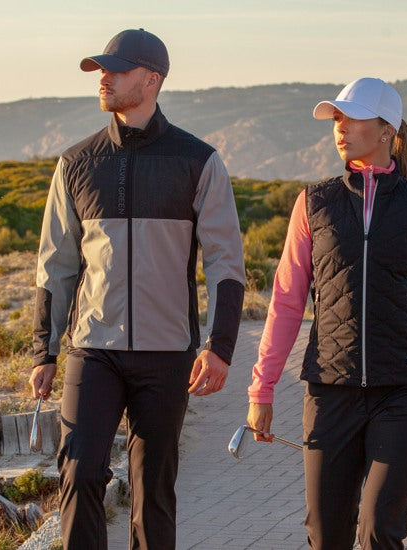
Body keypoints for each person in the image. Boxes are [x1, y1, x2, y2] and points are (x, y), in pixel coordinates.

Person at [29, 28, 246, 549]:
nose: (104, 78)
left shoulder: (199, 161)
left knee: (153, 492)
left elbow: (226, 264)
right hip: (93, 350)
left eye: (117, 70)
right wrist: (45, 349)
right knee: (79, 474)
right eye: (102, 69)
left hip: (167, 354)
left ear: (152, 80)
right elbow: (55, 265)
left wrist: (219, 347)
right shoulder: (77, 163)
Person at [246, 77, 407, 549]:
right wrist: (262, 388)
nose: (340, 127)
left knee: (379, 529)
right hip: (331, 392)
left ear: (386, 129)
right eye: (336, 117)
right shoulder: (314, 203)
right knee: (325, 533)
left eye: (351, 117)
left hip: (405, 392)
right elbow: (288, 301)